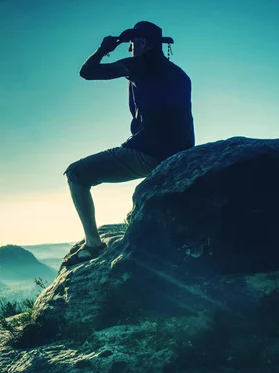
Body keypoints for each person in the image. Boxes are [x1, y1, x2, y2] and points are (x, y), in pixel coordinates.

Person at [61, 21, 195, 267]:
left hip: (148, 151)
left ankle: (93, 244)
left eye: (132, 43)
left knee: (76, 173)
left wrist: (104, 49)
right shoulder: (180, 74)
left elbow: (87, 72)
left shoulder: (139, 64)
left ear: (143, 43)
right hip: (180, 155)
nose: (130, 49)